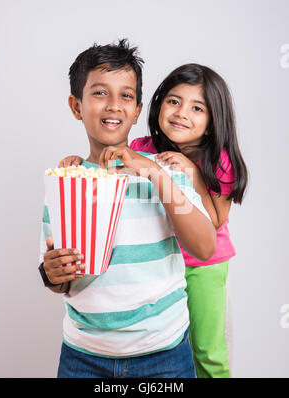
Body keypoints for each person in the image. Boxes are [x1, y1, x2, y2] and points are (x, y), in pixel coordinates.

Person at [39, 40, 216, 378]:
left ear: (137, 110)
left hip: (164, 356)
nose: (114, 106)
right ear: (77, 106)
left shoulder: (168, 170)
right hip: (83, 357)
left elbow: (205, 247)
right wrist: (52, 274)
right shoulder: (63, 182)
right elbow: (57, 277)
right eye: (100, 93)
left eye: (126, 96)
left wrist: (152, 172)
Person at [61, 63, 248, 378]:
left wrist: (188, 174)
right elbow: (111, 171)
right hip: (161, 266)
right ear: (157, 103)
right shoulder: (142, 149)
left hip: (203, 265)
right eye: (174, 101)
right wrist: (81, 164)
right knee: (176, 344)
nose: (181, 113)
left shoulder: (219, 160)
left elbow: (214, 223)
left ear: (214, 120)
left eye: (197, 107)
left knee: (206, 351)